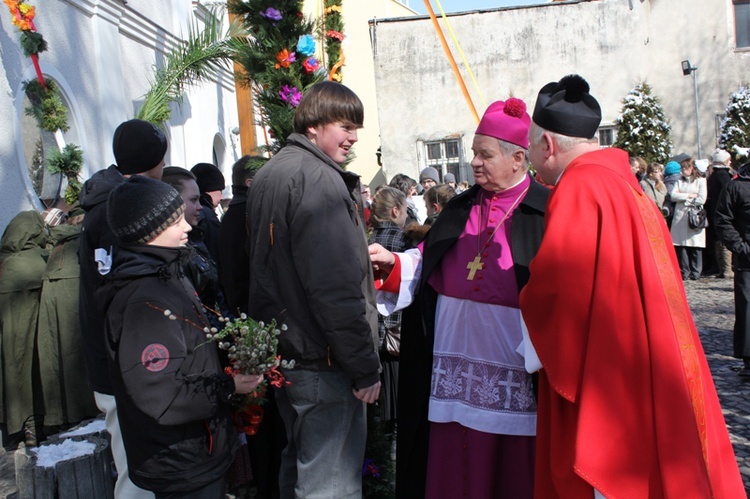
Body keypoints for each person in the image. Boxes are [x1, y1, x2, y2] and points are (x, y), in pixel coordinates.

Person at [520, 74, 744, 498]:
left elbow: (558, 291)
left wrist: (525, 303)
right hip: (652, 352)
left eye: (531, 147)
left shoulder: (580, 187)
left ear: (548, 144)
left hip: (613, 369)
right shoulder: (624, 183)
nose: (531, 159)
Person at [369, 97, 549, 499]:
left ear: (518, 158)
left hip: (512, 365)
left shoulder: (545, 211)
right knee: (453, 463)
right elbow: (427, 259)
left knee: (512, 466)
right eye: (474, 154)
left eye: (485, 155)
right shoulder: (459, 208)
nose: (475, 163)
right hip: (451, 366)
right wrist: (392, 264)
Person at [246, 81, 381, 499]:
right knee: (330, 484)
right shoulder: (319, 180)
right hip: (324, 360)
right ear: (314, 125)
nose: (354, 137)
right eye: (345, 126)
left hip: (290, 353)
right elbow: (334, 290)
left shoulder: (271, 172)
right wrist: (363, 366)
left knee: (301, 469)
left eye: (356, 127)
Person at [101, 176, 262, 498]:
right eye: (175, 221)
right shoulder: (144, 299)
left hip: (195, 449)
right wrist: (230, 387)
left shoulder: (167, 274)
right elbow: (162, 394)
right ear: (149, 230)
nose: (186, 227)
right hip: (179, 458)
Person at [78, 118, 167, 499]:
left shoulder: (112, 205)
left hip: (131, 361)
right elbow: (122, 297)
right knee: (138, 474)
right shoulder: (119, 212)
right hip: (125, 365)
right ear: (156, 160)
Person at [0, 211, 48, 448]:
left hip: (8, 340)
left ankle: (15, 426)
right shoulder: (41, 259)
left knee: (11, 371)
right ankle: (33, 425)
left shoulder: (5, 263)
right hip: (35, 333)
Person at [715, 161, 750, 378]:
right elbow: (723, 220)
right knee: (748, 310)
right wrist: (740, 247)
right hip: (747, 259)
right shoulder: (736, 186)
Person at [670, 156, 707, 280]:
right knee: (682, 246)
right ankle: (684, 271)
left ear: (691, 168)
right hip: (680, 216)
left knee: (696, 246)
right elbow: (673, 195)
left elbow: (701, 199)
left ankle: (696, 272)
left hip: (695, 216)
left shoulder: (701, 181)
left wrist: (685, 200)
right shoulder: (679, 181)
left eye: (684, 168)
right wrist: (690, 196)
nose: (682, 171)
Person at [707, 148, 734, 279]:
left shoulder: (714, 175)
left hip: (714, 209)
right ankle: (726, 268)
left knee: (718, 239)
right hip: (723, 210)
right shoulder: (723, 175)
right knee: (723, 239)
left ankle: (721, 267)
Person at [190, 162, 225, 264]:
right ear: (209, 189)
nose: (222, 197)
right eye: (220, 190)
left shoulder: (198, 212)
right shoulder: (207, 215)